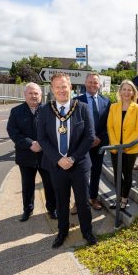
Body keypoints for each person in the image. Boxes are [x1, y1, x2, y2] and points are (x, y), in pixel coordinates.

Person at [37, 72, 97, 248]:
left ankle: (87, 232)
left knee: (83, 201)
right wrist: (58, 159)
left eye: (64, 86)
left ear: (70, 87)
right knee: (61, 201)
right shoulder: (45, 110)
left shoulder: (83, 108)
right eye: (57, 87)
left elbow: (89, 137)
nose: (61, 90)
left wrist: (72, 158)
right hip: (57, 166)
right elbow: (42, 138)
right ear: (52, 90)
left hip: (78, 164)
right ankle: (62, 232)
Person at [7, 83, 57, 222]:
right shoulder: (16, 111)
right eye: (31, 93)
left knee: (50, 184)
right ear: (25, 95)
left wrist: (42, 144)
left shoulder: (50, 110)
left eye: (36, 93)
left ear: (41, 95)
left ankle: (52, 209)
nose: (34, 96)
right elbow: (13, 132)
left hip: (46, 155)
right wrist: (30, 144)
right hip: (25, 156)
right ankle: (27, 210)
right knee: (27, 185)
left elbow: (54, 131)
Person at [75, 72, 111, 210]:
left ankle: (93, 198)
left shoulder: (106, 101)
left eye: (95, 82)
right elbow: (75, 124)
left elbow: (108, 124)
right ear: (85, 83)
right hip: (81, 144)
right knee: (79, 174)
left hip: (99, 144)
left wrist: (100, 138)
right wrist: (88, 138)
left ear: (99, 85)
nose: (92, 85)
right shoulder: (77, 101)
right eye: (90, 82)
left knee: (96, 172)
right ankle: (78, 202)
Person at [107, 80, 138, 210]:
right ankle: (118, 198)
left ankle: (124, 199)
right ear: (120, 91)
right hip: (116, 148)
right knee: (117, 174)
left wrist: (126, 145)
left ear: (133, 92)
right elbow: (110, 126)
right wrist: (116, 145)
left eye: (130, 89)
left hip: (131, 148)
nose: (127, 92)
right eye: (124, 89)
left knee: (127, 174)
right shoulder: (113, 107)